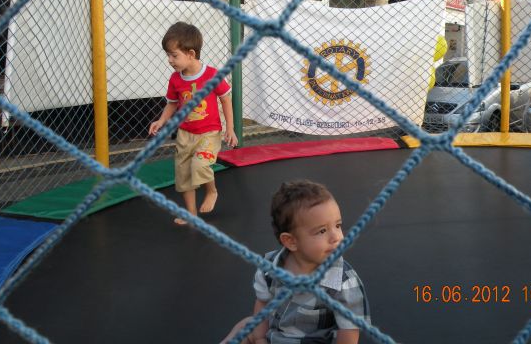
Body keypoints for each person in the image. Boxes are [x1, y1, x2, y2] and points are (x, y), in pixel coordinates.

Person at [221, 180, 370, 344]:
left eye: (338, 225)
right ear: (291, 241)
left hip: (312, 341)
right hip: (274, 332)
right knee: (245, 326)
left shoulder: (344, 282)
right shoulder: (268, 267)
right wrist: (260, 338)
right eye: (322, 231)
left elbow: (349, 331)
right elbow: (263, 304)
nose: (336, 237)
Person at [149, 22, 237, 225]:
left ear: (191, 54)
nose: (169, 60)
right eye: (168, 55)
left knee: (200, 164)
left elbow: (225, 99)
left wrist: (230, 128)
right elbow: (172, 103)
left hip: (209, 133)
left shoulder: (212, 75)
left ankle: (212, 191)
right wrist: (161, 120)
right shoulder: (175, 79)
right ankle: (191, 214)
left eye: (174, 55)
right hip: (185, 134)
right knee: (183, 174)